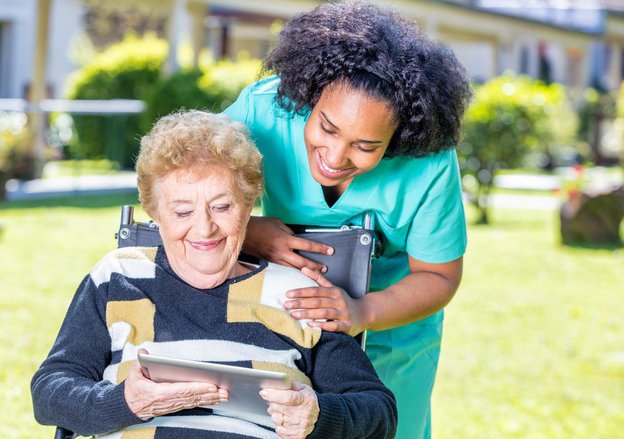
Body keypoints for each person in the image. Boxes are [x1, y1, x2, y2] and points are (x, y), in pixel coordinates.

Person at [31, 110, 397, 439]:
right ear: (154, 212)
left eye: (222, 206)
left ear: (249, 206)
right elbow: (49, 392)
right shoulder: (119, 277)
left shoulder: (297, 296)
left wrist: (318, 416)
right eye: (181, 211)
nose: (204, 229)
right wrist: (124, 402)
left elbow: (379, 411)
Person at [223, 2, 472, 438]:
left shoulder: (428, 161)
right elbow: (182, 191)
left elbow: (439, 275)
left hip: (392, 322)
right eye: (327, 127)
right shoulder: (262, 111)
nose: (335, 158)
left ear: (401, 139)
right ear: (310, 97)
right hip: (284, 309)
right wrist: (251, 233)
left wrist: (363, 310)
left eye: (366, 146)